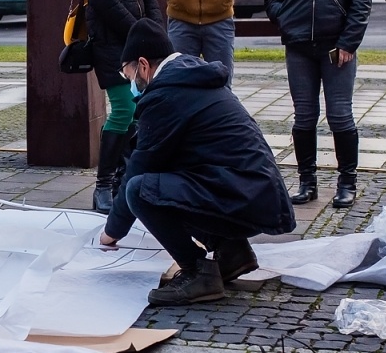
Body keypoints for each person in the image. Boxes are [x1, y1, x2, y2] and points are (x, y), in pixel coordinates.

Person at [99, 20, 295, 306]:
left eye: (128, 74)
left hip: (244, 195)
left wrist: (111, 233)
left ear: (143, 65)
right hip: (255, 193)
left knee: (140, 190)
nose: (130, 83)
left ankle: (197, 272)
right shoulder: (191, 77)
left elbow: (139, 169)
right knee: (170, 178)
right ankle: (232, 253)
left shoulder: (166, 94)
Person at [264, 0, 373, 209]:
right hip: (299, 46)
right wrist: (286, 18)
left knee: (340, 115)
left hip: (335, 45)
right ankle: (306, 181)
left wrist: (349, 41)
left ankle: (347, 182)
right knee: (303, 117)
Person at [74, 0, 162, 212]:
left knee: (140, 112)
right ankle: (103, 185)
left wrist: (153, 28)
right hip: (111, 42)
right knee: (124, 108)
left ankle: (127, 177)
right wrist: (139, 31)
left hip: (139, 40)